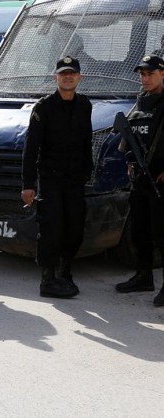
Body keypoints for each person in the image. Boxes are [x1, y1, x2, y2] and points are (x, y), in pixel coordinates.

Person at [21, 56, 93, 299]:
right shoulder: (44, 107)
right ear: (56, 78)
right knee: (51, 228)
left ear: (79, 78)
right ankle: (48, 279)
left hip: (75, 179)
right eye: (63, 74)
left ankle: (66, 272)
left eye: (72, 73)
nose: (68, 77)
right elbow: (31, 148)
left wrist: (88, 171)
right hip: (50, 179)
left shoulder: (85, 105)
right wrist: (28, 185)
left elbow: (86, 141)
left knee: (74, 228)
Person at [115, 54, 164, 307]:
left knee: (161, 233)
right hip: (140, 178)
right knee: (139, 231)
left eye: (151, 74)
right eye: (142, 74)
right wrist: (130, 159)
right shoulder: (139, 104)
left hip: (161, 178)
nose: (145, 79)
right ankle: (144, 277)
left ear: (162, 74)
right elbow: (126, 141)